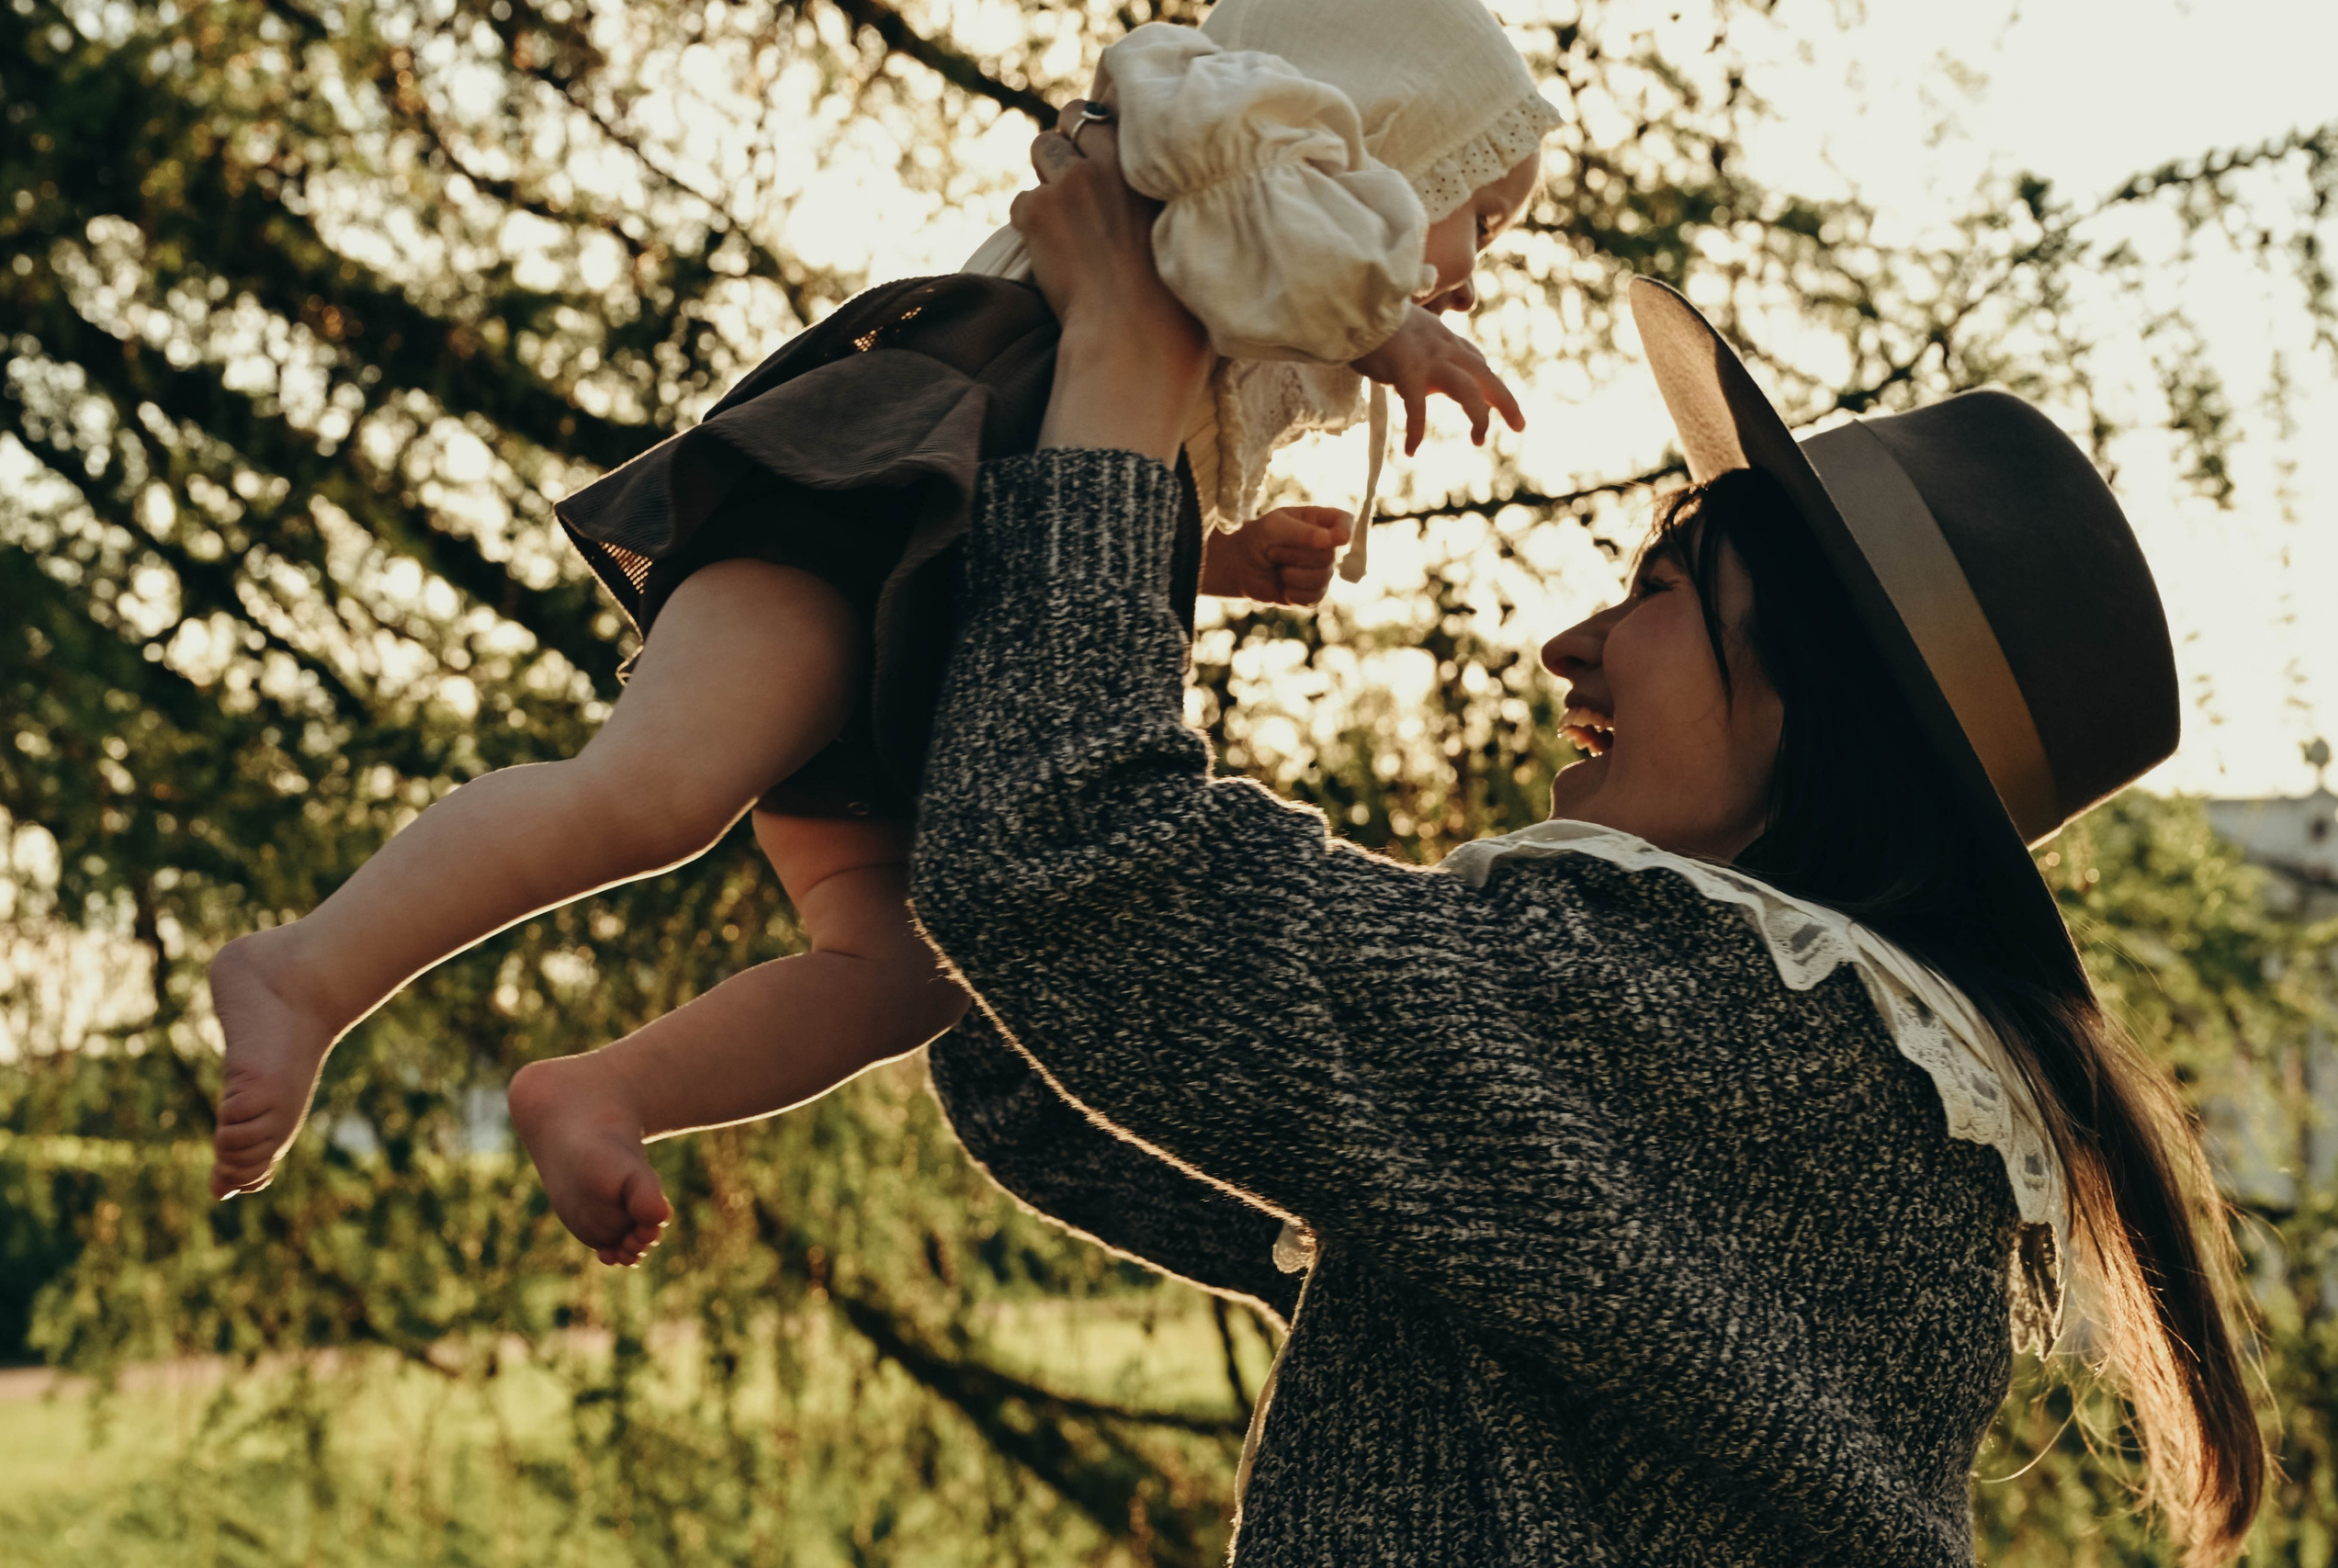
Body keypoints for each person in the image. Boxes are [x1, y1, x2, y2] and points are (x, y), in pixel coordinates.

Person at [906, 98, 2267, 1568]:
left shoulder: (1722, 1028)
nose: (1574, 647)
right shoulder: (1824, 1097)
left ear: (1824, 718)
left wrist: (1120, 361)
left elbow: (1073, 877)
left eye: (1661, 592)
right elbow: (1059, 1078)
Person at [200, 0, 1561, 1269]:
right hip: (859, 515)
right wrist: (1388, 328)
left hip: (940, 627)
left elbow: (1057, 513)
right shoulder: (1226, 138)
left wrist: (1213, 562)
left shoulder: (1220, 306)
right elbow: (1245, 218)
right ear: (1394, 127)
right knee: (656, 791)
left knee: (906, 971)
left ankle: (611, 1088)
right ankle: (306, 971)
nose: (1474, 279)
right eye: (1481, 221)